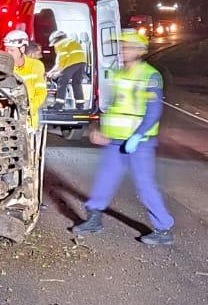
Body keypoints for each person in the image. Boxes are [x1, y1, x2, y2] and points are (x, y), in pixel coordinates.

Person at [72, 29, 175, 246]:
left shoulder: (150, 76)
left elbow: (153, 111)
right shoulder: (119, 74)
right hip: (115, 141)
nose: (123, 50)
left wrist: (137, 136)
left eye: (127, 47)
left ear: (139, 51)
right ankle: (94, 219)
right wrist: (100, 129)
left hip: (139, 143)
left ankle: (164, 228)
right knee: (104, 180)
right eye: (122, 46)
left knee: (145, 186)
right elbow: (113, 107)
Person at [4, 28, 47, 128]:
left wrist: (28, 108)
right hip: (6, 119)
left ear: (22, 49)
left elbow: (41, 93)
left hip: (27, 121)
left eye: (12, 50)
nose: (8, 53)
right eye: (7, 49)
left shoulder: (36, 66)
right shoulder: (4, 67)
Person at [49, 28, 90, 109]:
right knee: (77, 83)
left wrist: (54, 73)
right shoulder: (72, 41)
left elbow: (61, 61)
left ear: (55, 39)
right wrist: (53, 71)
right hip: (82, 62)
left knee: (62, 81)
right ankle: (80, 106)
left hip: (72, 63)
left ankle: (59, 105)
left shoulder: (60, 44)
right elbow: (62, 62)